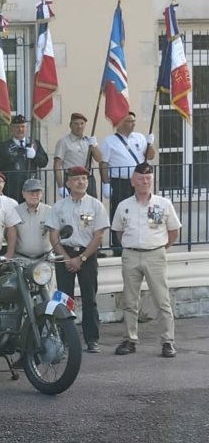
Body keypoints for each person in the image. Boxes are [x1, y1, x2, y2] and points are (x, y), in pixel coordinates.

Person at [110, 163, 180, 358]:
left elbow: (174, 232)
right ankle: (130, 340)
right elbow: (118, 232)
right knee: (130, 300)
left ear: (153, 180)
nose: (144, 182)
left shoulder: (163, 204)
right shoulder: (124, 206)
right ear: (133, 181)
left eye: (148, 179)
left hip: (155, 254)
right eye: (140, 179)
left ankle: (168, 342)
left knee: (162, 299)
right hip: (131, 255)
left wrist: (159, 248)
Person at [47, 167, 110, 353]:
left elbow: (98, 236)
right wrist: (67, 259)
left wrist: (81, 259)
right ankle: (65, 338)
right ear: (67, 183)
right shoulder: (59, 207)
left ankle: (92, 339)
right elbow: (53, 236)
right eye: (76, 179)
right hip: (64, 253)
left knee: (90, 298)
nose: (81, 182)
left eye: (84, 178)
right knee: (64, 299)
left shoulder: (95, 205)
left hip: (87, 254)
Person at [100, 111, 156, 254]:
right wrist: (106, 183)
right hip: (120, 181)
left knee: (140, 210)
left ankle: (139, 241)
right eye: (129, 121)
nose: (133, 124)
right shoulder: (109, 141)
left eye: (133, 121)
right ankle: (118, 244)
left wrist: (150, 144)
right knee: (120, 211)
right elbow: (103, 163)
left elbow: (150, 156)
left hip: (139, 181)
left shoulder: (139, 137)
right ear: (120, 123)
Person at [0, 114, 49, 203]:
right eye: (17, 127)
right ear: (11, 128)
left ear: (27, 127)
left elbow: (44, 162)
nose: (20, 129)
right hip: (12, 189)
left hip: (31, 188)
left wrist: (35, 156)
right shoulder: (4, 146)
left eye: (23, 126)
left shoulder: (34, 144)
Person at [53, 113, 101, 198]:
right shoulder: (64, 141)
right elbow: (57, 165)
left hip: (88, 178)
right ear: (70, 125)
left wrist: (95, 145)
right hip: (72, 179)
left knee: (91, 206)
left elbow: (99, 159)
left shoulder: (88, 141)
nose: (79, 126)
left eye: (82, 124)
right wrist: (60, 186)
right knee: (72, 206)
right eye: (76, 124)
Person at [14, 179, 53, 259]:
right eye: (30, 192)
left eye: (37, 192)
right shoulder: (15, 211)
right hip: (20, 258)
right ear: (23, 193)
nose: (34, 195)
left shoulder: (50, 211)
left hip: (44, 259)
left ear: (41, 194)